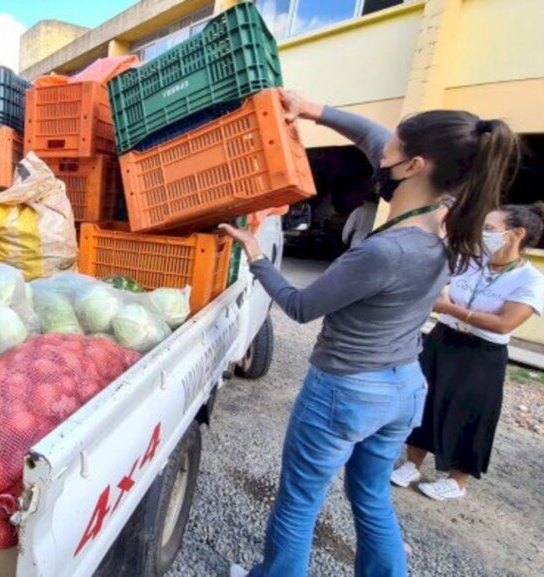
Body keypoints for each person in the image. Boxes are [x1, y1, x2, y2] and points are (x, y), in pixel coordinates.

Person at [222, 87, 521, 577]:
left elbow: (299, 307)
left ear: (415, 165)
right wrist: (313, 109)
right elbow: (373, 136)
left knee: (299, 502)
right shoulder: (450, 221)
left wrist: (256, 257)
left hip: (347, 389)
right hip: (403, 385)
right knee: (370, 496)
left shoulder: (385, 252)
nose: (381, 154)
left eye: (394, 150)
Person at [391, 202, 544, 501]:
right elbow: (441, 284)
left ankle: (456, 481)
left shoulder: (530, 279)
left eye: (490, 229)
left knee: (470, 413)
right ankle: (412, 463)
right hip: (443, 339)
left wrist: (451, 308)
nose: (483, 234)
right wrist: (444, 297)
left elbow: (504, 324)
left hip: (482, 353)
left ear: (516, 234)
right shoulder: (471, 261)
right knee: (425, 399)